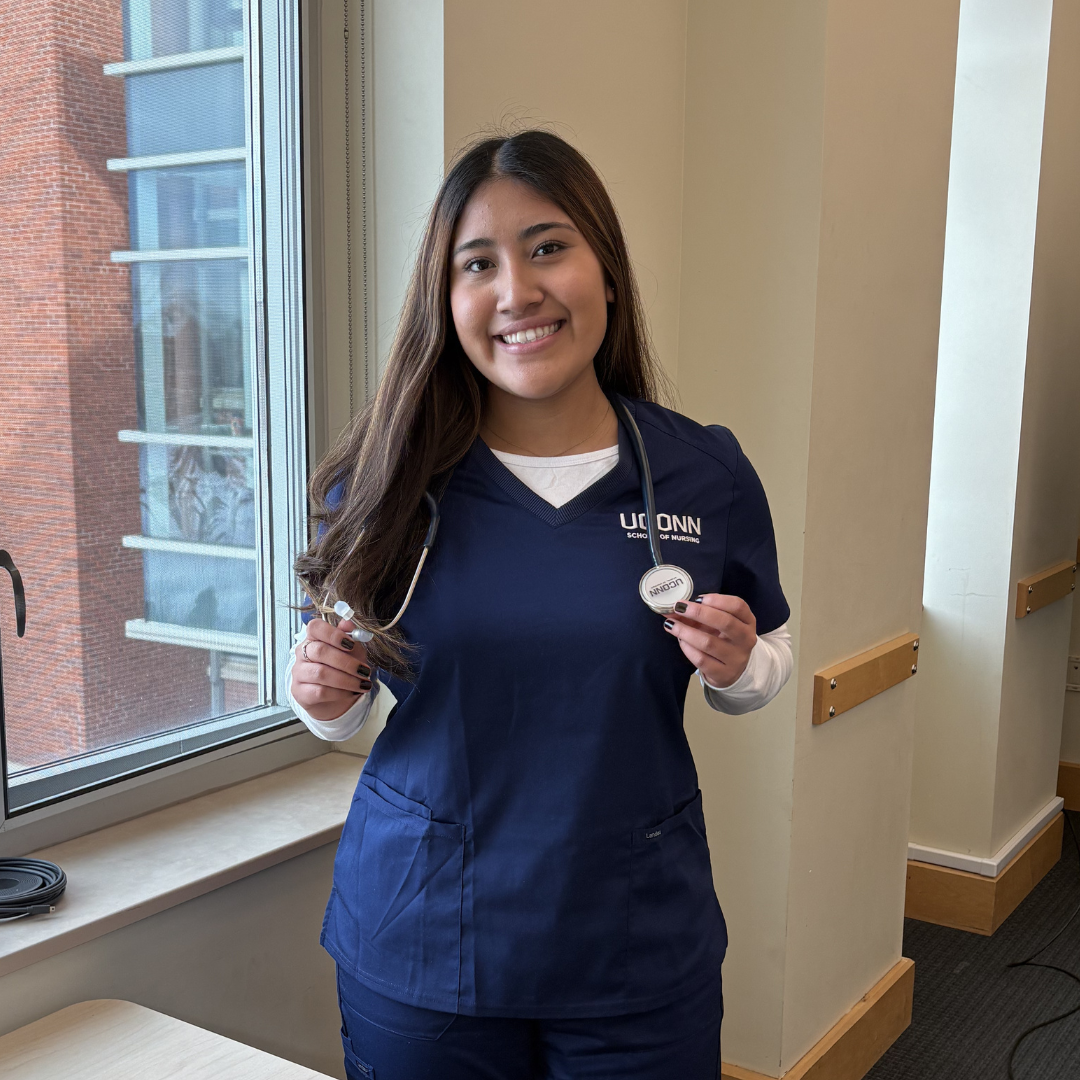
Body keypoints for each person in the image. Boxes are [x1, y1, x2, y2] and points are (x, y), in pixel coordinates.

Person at [288, 130, 791, 1080]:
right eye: (478, 263)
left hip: (632, 939)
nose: (517, 290)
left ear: (606, 267)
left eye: (548, 246)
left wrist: (740, 663)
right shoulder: (383, 483)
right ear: (446, 300)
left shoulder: (701, 469)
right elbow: (343, 700)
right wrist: (320, 697)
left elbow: (767, 662)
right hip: (424, 935)